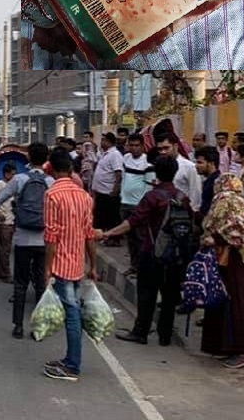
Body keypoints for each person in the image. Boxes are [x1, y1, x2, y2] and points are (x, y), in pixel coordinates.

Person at [103, 156, 192, 346]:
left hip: (151, 252)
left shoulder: (152, 196)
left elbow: (131, 223)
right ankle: (165, 335)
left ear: (156, 173)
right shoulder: (182, 197)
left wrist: (108, 233)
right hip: (175, 255)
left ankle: (140, 332)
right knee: (169, 296)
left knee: (147, 294)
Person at [0, 142, 54, 339]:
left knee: (20, 284)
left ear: (29, 158)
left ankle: (18, 326)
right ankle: (39, 327)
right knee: (40, 284)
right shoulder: (51, 182)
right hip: (44, 240)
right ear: (46, 159)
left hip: (22, 239)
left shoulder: (19, 179)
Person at [42, 149, 97, 382]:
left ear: (52, 169)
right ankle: (69, 359)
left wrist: (47, 268)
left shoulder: (52, 194)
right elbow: (89, 234)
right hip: (77, 263)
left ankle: (72, 365)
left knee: (72, 314)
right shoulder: (84, 196)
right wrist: (93, 264)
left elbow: (51, 237)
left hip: (61, 264)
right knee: (72, 311)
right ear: (72, 169)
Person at [200, 174, 244, 369]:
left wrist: (214, 239)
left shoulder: (224, 199)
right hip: (242, 258)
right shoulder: (241, 201)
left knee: (233, 302)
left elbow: (223, 227)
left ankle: (242, 350)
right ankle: (241, 348)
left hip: (230, 258)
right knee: (241, 302)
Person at [121, 134, 154, 275]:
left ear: (142, 146)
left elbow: (149, 186)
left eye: (136, 145)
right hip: (125, 203)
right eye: (131, 145)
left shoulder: (148, 163)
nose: (134, 148)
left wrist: (143, 205)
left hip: (138, 206)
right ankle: (134, 266)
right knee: (130, 239)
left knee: (141, 238)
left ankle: (143, 269)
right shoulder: (126, 158)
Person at [92, 132, 124, 245]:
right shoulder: (105, 154)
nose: (101, 142)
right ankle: (102, 237)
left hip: (109, 192)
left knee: (112, 218)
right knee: (101, 216)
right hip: (101, 192)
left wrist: (115, 189)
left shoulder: (115, 154)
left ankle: (114, 239)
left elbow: (118, 173)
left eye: (103, 140)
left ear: (109, 142)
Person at [156, 133, 202, 211]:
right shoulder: (158, 165)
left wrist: (193, 213)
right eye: (160, 149)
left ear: (175, 146)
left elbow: (196, 193)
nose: (163, 152)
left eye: (166, 148)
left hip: (181, 214)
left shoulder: (189, 167)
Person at [195, 146, 222, 223]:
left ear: (211, 163)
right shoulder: (212, 180)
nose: (196, 166)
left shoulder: (214, 183)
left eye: (200, 162)